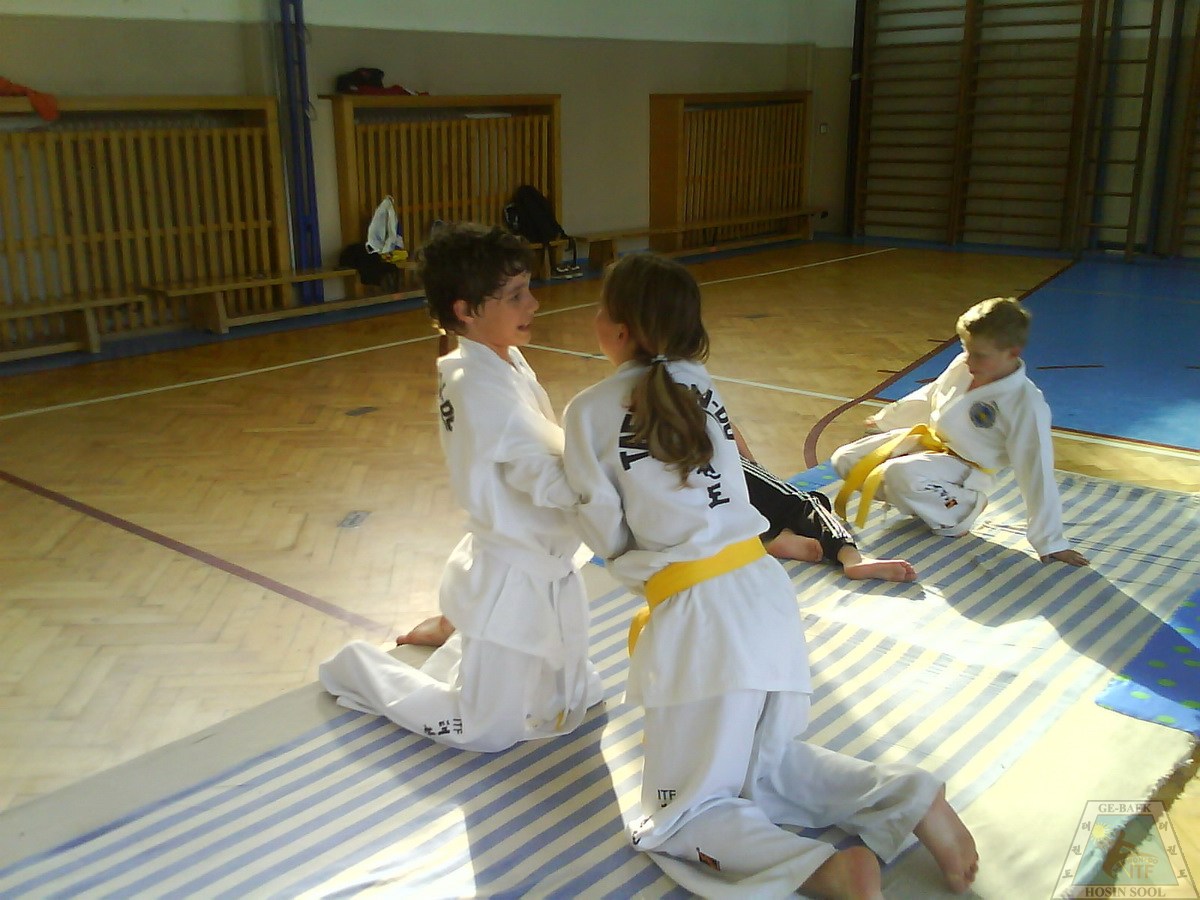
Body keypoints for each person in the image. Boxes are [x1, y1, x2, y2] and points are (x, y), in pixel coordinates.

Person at [561, 253, 978, 898]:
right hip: (764, 597)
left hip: (702, 621)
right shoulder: (698, 382)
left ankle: (822, 868)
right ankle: (909, 797)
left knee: (680, 814)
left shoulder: (587, 411)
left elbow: (605, 532)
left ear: (616, 328)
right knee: (766, 766)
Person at [319, 223, 603, 752]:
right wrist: (616, 486)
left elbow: (544, 452)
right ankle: (358, 668)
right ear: (467, 310)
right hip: (512, 568)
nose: (533, 303)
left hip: (538, 558)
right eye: (515, 295)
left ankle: (465, 638)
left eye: (528, 289)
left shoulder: (499, 359)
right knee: (485, 731)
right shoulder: (478, 386)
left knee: (579, 696)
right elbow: (543, 475)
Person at [830, 297, 1088, 567]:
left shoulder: (1025, 403)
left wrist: (1051, 541)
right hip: (928, 445)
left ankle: (962, 509)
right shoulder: (963, 365)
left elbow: (1037, 472)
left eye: (980, 355)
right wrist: (887, 420)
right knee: (846, 459)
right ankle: (925, 501)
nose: (969, 360)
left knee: (898, 474)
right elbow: (930, 395)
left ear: (1012, 352)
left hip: (966, 469)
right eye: (966, 349)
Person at [735, 431, 917, 583]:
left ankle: (774, 537)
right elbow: (726, 425)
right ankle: (852, 558)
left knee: (812, 500)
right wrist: (754, 465)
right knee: (806, 503)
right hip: (727, 471)